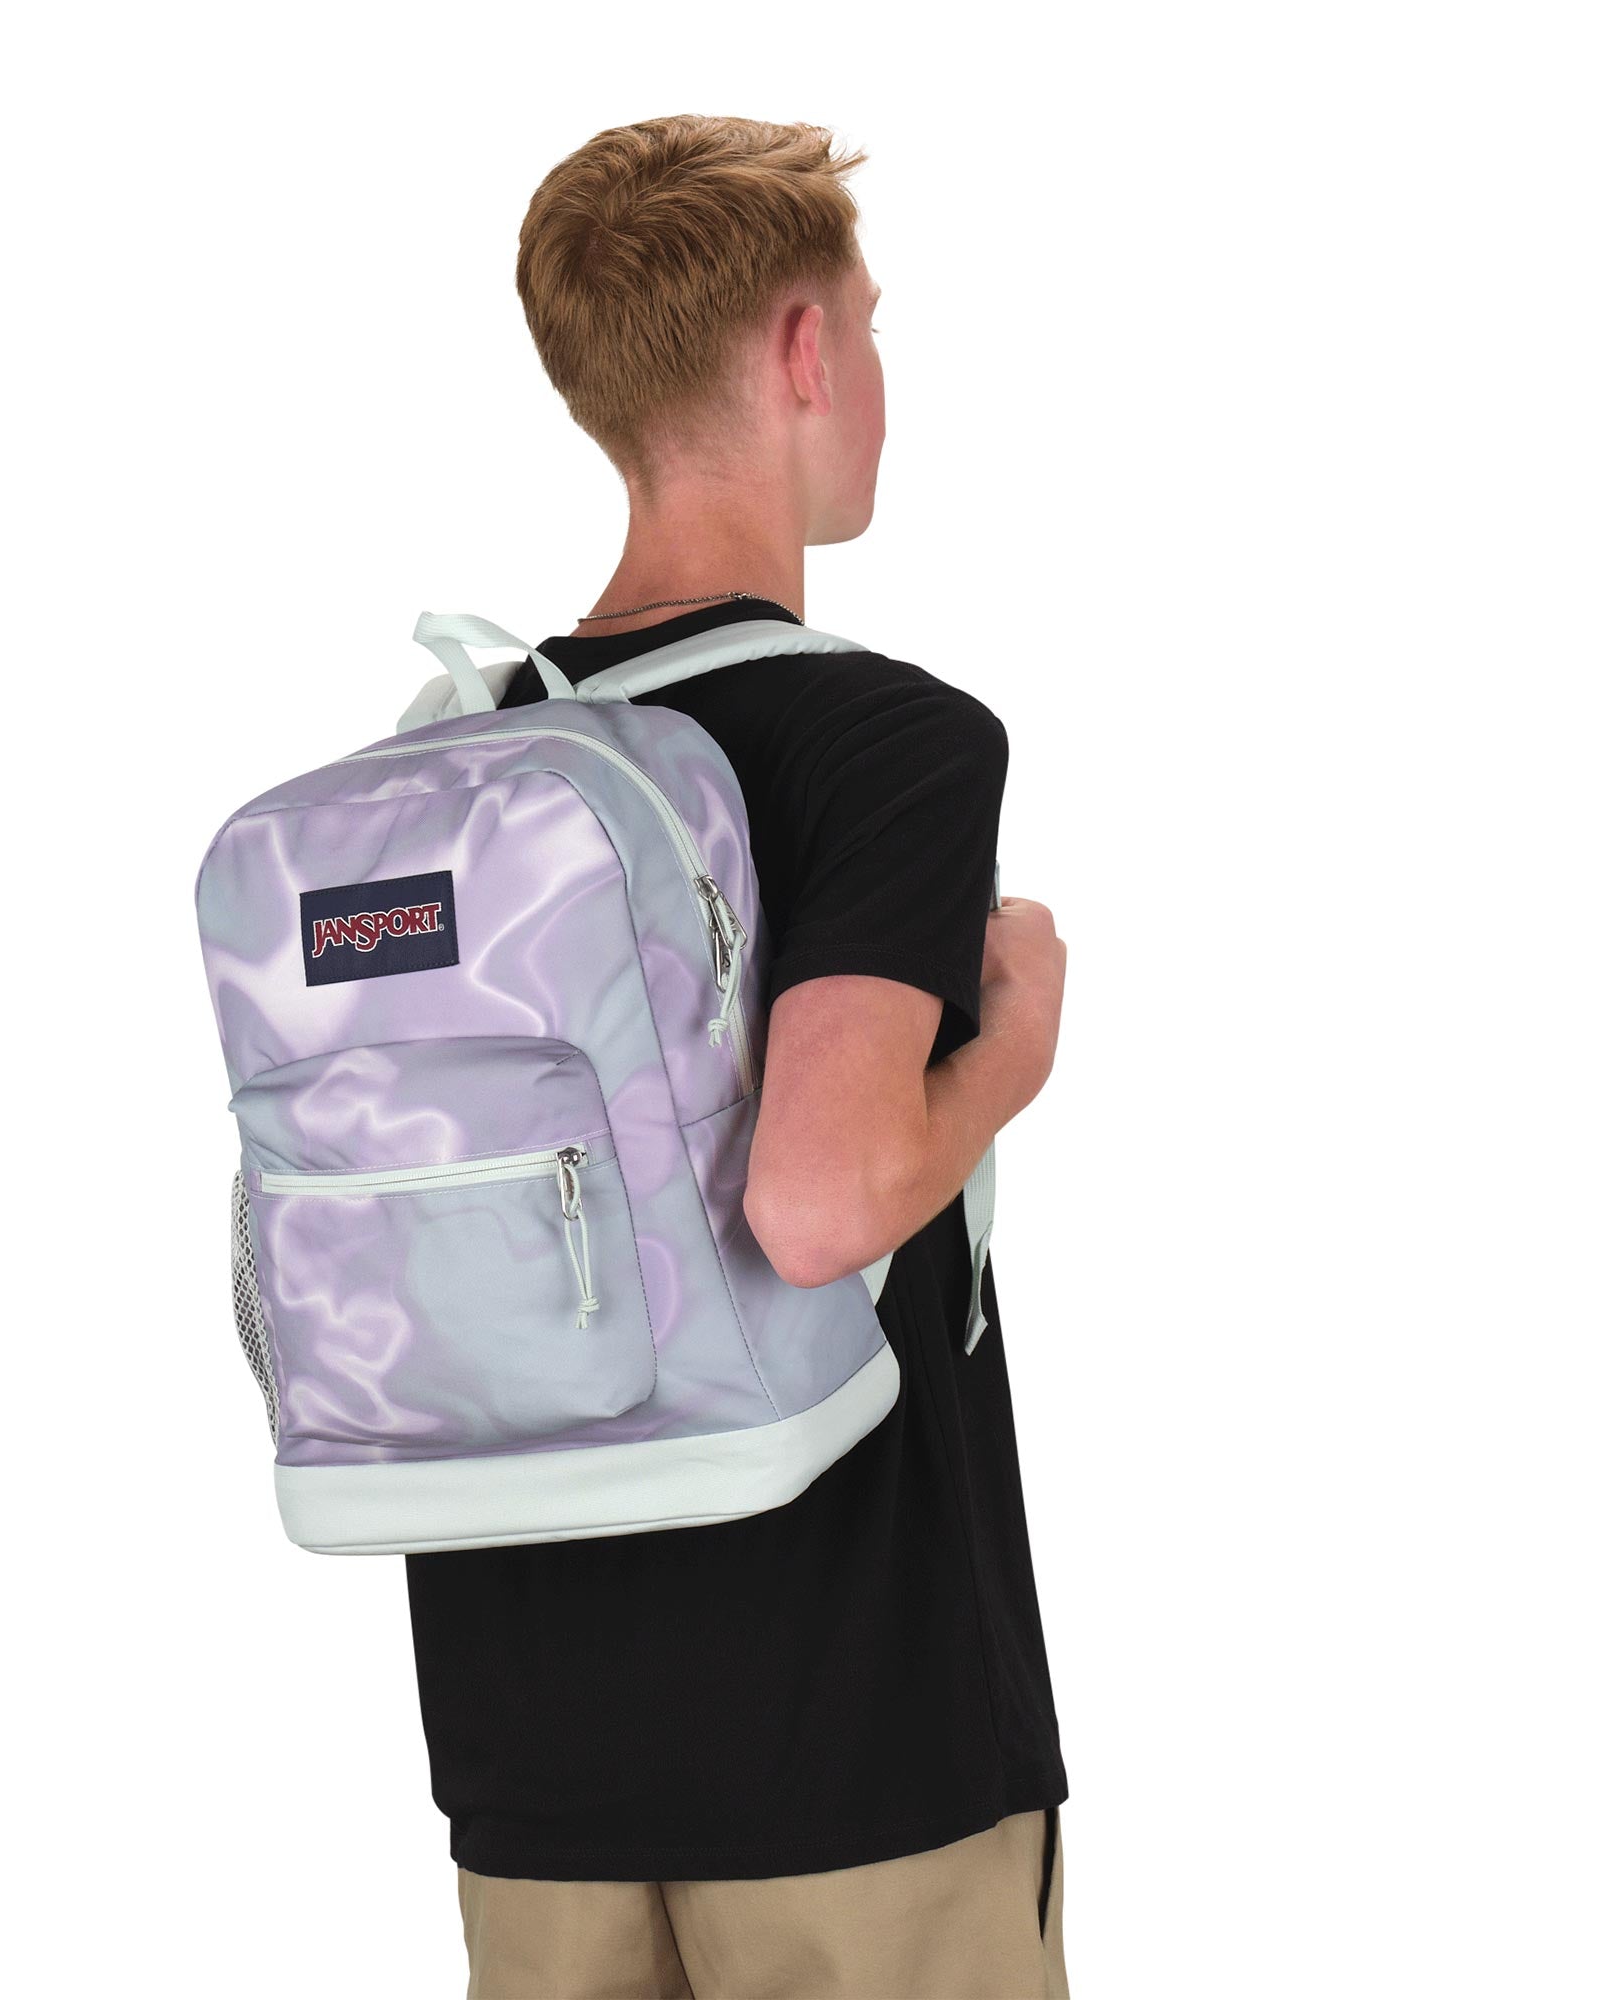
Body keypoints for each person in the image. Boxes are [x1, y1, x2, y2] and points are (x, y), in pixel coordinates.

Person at [404, 115, 1072, 2000]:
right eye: (869, 322)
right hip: (856, 1740)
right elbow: (819, 1201)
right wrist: (1013, 1044)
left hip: (529, 1746)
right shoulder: (890, 745)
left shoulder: (453, 759)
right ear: (801, 352)